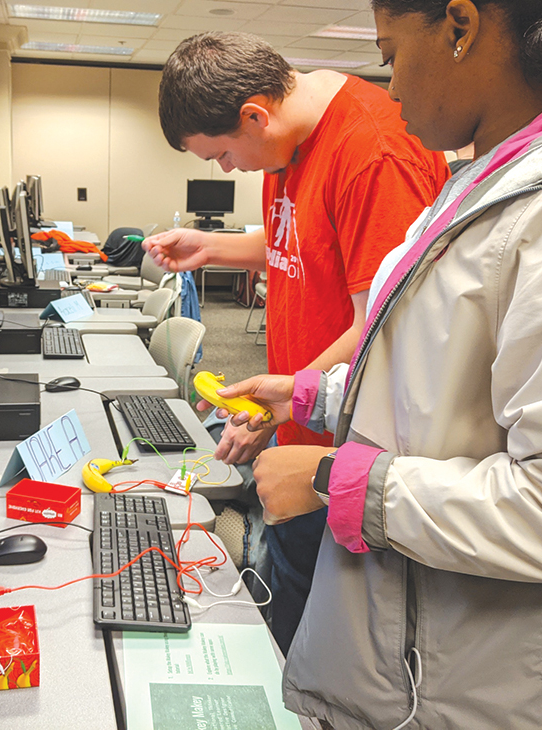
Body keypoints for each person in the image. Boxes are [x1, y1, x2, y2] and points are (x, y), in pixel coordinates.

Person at [207, 1, 542, 727]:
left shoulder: (529, 215)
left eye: (390, 56)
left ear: (461, 24)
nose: (389, 89)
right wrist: (308, 396)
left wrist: (334, 479)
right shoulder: (478, 182)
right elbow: (434, 381)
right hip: (406, 642)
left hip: (470, 675)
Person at [145, 31, 449, 653]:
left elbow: (384, 325)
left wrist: (281, 403)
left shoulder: (373, 153)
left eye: (225, 155)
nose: (229, 170)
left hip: (347, 454)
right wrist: (216, 247)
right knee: (286, 616)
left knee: (319, 651)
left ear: (254, 114)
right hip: (301, 423)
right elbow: (305, 245)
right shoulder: (290, 139)